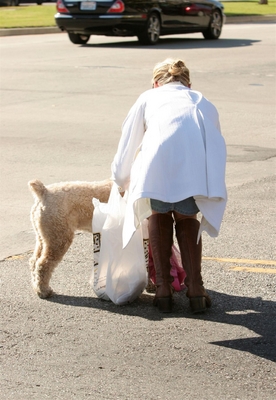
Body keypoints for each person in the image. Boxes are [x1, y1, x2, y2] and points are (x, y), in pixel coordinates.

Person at [111, 58, 227, 313]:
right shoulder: (201, 100)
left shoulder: (147, 98)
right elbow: (216, 142)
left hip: (157, 168)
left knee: (159, 215)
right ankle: (195, 289)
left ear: (156, 83)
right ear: (188, 83)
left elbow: (128, 142)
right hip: (193, 171)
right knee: (187, 219)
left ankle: (163, 290)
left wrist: (120, 179)